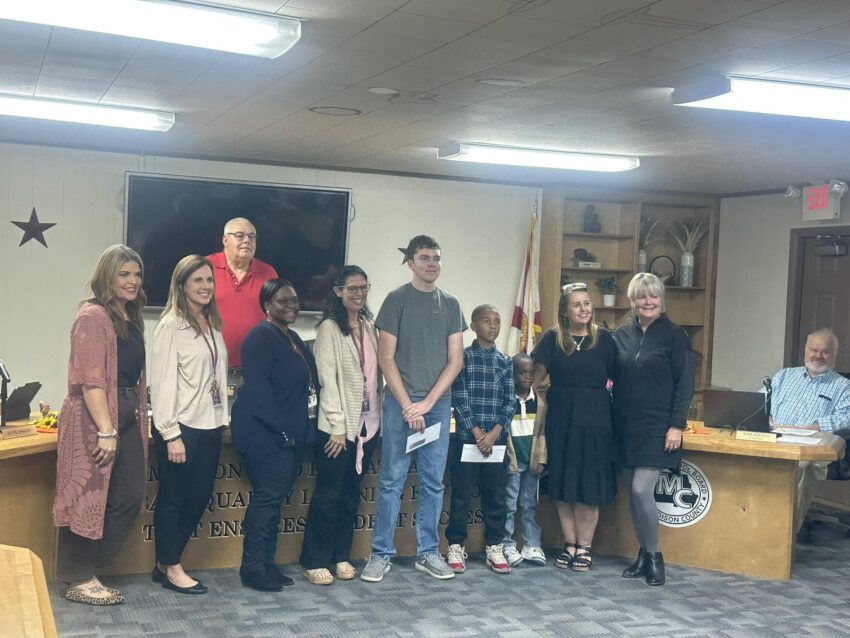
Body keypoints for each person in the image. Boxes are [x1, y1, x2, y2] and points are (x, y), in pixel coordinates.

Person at [361, 235, 466, 582]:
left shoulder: (451, 304)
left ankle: (428, 552)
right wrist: (409, 406)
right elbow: (386, 358)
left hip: (436, 407)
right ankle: (380, 554)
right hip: (399, 405)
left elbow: (455, 361)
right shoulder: (396, 300)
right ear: (410, 262)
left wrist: (427, 404)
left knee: (434, 482)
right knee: (392, 480)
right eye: (424, 258)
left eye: (436, 258)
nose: (431, 264)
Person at [53, 244, 148, 605]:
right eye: (124, 274)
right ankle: (79, 577)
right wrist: (106, 430)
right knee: (87, 497)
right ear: (107, 276)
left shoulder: (130, 316)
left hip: (127, 412)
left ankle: (92, 568)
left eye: (137, 274)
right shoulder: (92, 316)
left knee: (129, 494)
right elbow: (90, 380)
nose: (132, 280)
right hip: (95, 417)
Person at [231, 279, 318, 592]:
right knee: (265, 502)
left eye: (294, 300)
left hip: (289, 436)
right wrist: (282, 432)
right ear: (267, 305)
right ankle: (252, 568)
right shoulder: (260, 337)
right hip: (266, 436)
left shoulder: (291, 337)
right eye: (283, 301)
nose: (291, 306)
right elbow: (259, 392)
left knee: (275, 502)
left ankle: (267, 563)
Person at [150, 255, 228, 595]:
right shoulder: (171, 325)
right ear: (182, 285)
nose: (205, 286)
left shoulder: (212, 323)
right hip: (181, 427)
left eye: (209, 280)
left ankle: (165, 561)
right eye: (197, 280)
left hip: (209, 424)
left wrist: (223, 418)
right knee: (174, 498)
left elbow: (216, 377)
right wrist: (170, 434)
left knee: (199, 496)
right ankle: (172, 566)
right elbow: (162, 384)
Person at [299, 266, 381, 585]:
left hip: (367, 427)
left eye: (363, 288)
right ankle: (314, 560)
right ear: (338, 292)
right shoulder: (329, 329)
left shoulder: (369, 327)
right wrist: (336, 425)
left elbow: (374, 377)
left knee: (350, 496)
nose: (359, 294)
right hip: (337, 429)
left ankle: (340, 556)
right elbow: (327, 381)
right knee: (328, 496)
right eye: (352, 289)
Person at [613, 273, 694, 586]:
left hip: (658, 426)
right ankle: (643, 554)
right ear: (632, 301)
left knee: (641, 490)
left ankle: (655, 555)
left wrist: (676, 425)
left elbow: (685, 384)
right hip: (624, 425)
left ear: (662, 299)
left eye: (653, 296)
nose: (648, 302)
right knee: (633, 497)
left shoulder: (675, 336)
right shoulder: (621, 334)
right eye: (641, 296)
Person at [531, 283, 616, 573]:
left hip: (595, 420)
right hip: (562, 419)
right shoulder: (552, 338)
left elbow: (619, 378)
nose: (584, 309)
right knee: (564, 485)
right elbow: (534, 377)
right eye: (577, 304)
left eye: (587, 303)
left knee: (588, 486)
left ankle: (585, 547)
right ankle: (570, 544)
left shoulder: (604, 339)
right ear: (565, 311)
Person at [445, 304, 515, 574]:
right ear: (473, 326)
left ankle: (495, 545)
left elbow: (510, 401)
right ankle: (455, 545)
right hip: (467, 438)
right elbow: (459, 397)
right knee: (461, 495)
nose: (493, 326)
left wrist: (494, 433)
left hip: (496, 442)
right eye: (487, 321)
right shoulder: (462, 358)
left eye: (497, 321)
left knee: (495, 495)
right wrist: (476, 433)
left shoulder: (505, 361)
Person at [769, 328, 850, 537]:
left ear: (834, 354)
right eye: (814, 350)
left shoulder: (843, 387)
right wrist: (766, 419)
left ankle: (783, 536)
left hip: (816, 445)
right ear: (805, 350)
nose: (818, 356)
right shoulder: (784, 376)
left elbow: (847, 417)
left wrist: (816, 426)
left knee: (803, 465)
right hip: (776, 438)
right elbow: (760, 402)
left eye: (825, 352)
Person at [206, 217, 278, 385]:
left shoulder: (268, 273)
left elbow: (277, 320)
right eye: (240, 235)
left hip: (258, 370)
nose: (247, 240)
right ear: (225, 240)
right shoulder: (205, 267)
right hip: (211, 369)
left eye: (252, 236)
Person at [502, 353, 547, 567]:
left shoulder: (539, 402)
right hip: (513, 461)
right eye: (521, 372)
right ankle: (506, 543)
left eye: (531, 372)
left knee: (529, 504)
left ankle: (531, 544)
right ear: (512, 375)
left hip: (532, 462)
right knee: (509, 504)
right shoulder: (506, 399)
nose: (527, 377)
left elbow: (543, 434)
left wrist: (541, 459)